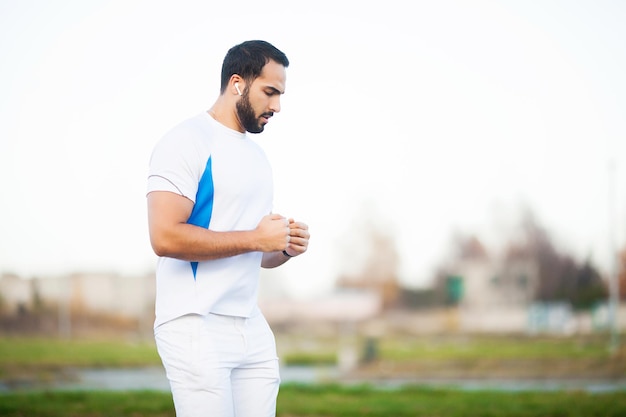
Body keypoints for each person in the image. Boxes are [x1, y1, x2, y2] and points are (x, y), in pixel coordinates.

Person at [146, 40, 310, 417]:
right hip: (194, 324)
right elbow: (164, 236)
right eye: (269, 92)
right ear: (237, 83)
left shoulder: (257, 158)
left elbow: (254, 253)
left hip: (249, 324)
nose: (277, 106)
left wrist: (282, 247)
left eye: (281, 95)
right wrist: (256, 237)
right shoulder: (185, 141)